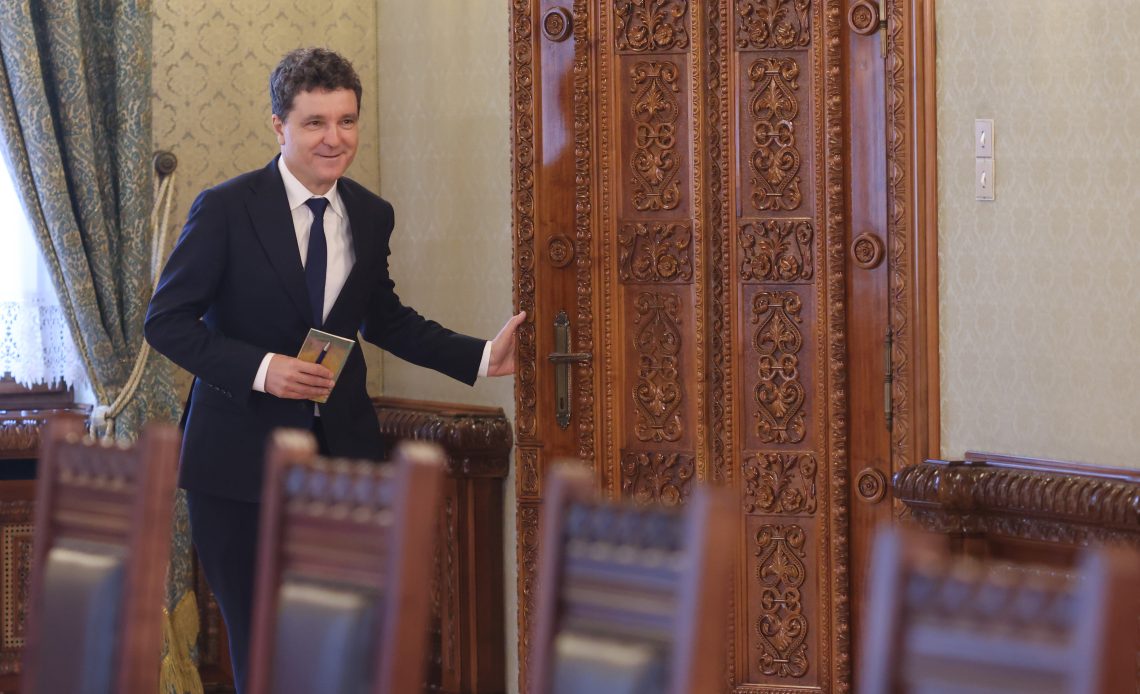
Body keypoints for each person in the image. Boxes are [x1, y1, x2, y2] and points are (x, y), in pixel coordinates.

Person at [144, 47, 524, 692]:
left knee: (342, 652)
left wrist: (482, 356)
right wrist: (263, 369)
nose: (334, 139)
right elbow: (166, 320)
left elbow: (385, 319)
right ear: (279, 125)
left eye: (347, 121)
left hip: (344, 462)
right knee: (264, 651)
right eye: (315, 122)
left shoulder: (371, 215)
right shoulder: (226, 208)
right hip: (237, 466)